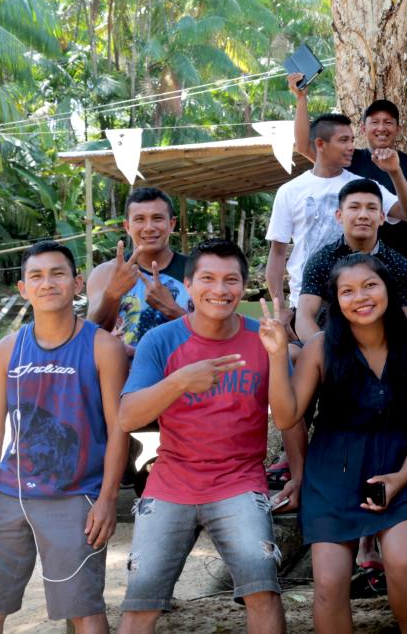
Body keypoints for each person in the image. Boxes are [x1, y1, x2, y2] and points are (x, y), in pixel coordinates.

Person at [117, 239, 305, 634]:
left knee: (263, 591)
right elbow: (127, 416)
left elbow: (287, 418)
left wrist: (276, 355)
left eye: (230, 281)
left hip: (239, 483)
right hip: (170, 483)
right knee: (140, 602)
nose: (219, 290)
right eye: (207, 279)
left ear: (243, 286)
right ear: (188, 284)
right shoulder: (162, 340)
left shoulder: (263, 338)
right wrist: (181, 381)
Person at [0, 241, 128, 634]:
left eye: (57, 274)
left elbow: (118, 425)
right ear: (23, 288)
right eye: (35, 276)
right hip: (10, 495)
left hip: (75, 497)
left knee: (85, 612)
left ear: (77, 284)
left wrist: (106, 499)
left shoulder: (103, 347)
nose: (47, 283)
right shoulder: (5, 351)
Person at [271, 253, 407, 634]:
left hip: (399, 466)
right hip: (332, 475)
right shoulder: (319, 347)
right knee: (330, 585)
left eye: (369, 286)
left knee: (402, 563)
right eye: (347, 291)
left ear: (387, 290)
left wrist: (401, 477)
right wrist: (277, 355)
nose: (360, 297)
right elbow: (286, 417)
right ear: (336, 301)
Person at [266, 110, 407, 338]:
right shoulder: (290, 191)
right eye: (343, 140)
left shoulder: (363, 186)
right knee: (310, 363)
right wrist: (280, 308)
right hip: (307, 303)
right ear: (320, 144)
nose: (351, 146)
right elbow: (278, 254)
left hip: (359, 299)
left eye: (352, 140)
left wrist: (395, 173)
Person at [288, 89, 407, 264]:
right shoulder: (347, 160)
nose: (381, 128)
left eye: (388, 122)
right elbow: (303, 146)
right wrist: (301, 98)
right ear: (363, 128)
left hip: (396, 259)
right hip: (352, 262)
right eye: (374, 122)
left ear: (398, 129)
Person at [296, 178, 407, 338]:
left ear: (382, 217)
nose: (363, 215)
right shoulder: (321, 260)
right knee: (292, 352)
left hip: (384, 346)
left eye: (371, 208)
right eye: (354, 208)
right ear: (339, 216)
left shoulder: (399, 265)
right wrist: (326, 353)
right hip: (331, 344)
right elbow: (304, 318)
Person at [86, 187, 189, 351]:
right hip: (122, 373)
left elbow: (213, 334)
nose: (149, 227)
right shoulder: (104, 273)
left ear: (172, 224)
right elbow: (89, 332)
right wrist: (112, 293)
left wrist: (172, 310)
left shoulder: (194, 271)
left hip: (183, 371)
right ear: (127, 226)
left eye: (157, 218)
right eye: (139, 219)